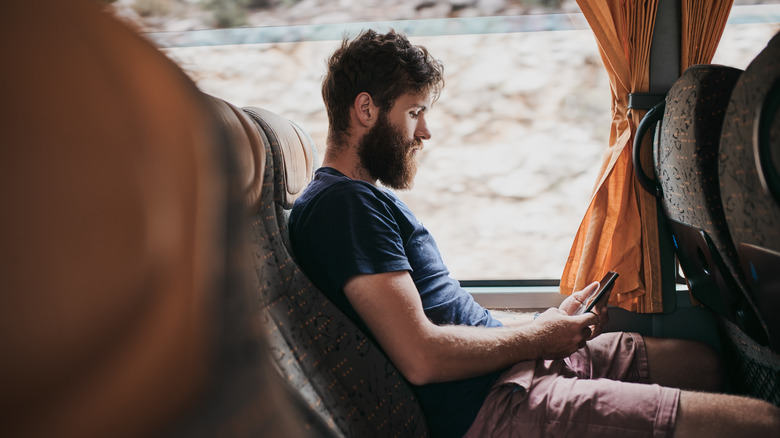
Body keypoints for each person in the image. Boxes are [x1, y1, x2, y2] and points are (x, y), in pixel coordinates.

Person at [288, 29, 780, 438]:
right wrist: (539, 338)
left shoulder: (359, 199)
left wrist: (544, 325)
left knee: (703, 364)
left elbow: (438, 319)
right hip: (493, 407)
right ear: (366, 109)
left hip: (510, 370)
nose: (425, 132)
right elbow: (421, 357)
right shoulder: (343, 207)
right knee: (762, 422)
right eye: (414, 112)